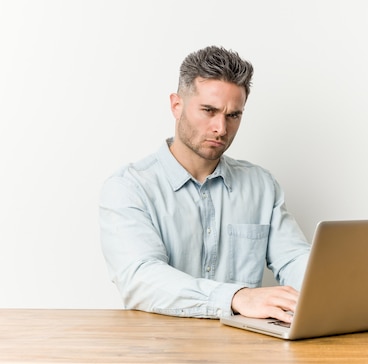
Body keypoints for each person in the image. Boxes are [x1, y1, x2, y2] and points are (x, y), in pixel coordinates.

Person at [99, 46, 310, 323]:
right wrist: (236, 297)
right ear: (177, 105)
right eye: (208, 111)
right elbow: (140, 277)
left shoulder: (261, 185)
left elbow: (294, 259)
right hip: (161, 351)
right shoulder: (128, 187)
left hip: (242, 351)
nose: (221, 128)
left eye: (233, 115)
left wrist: (329, 288)